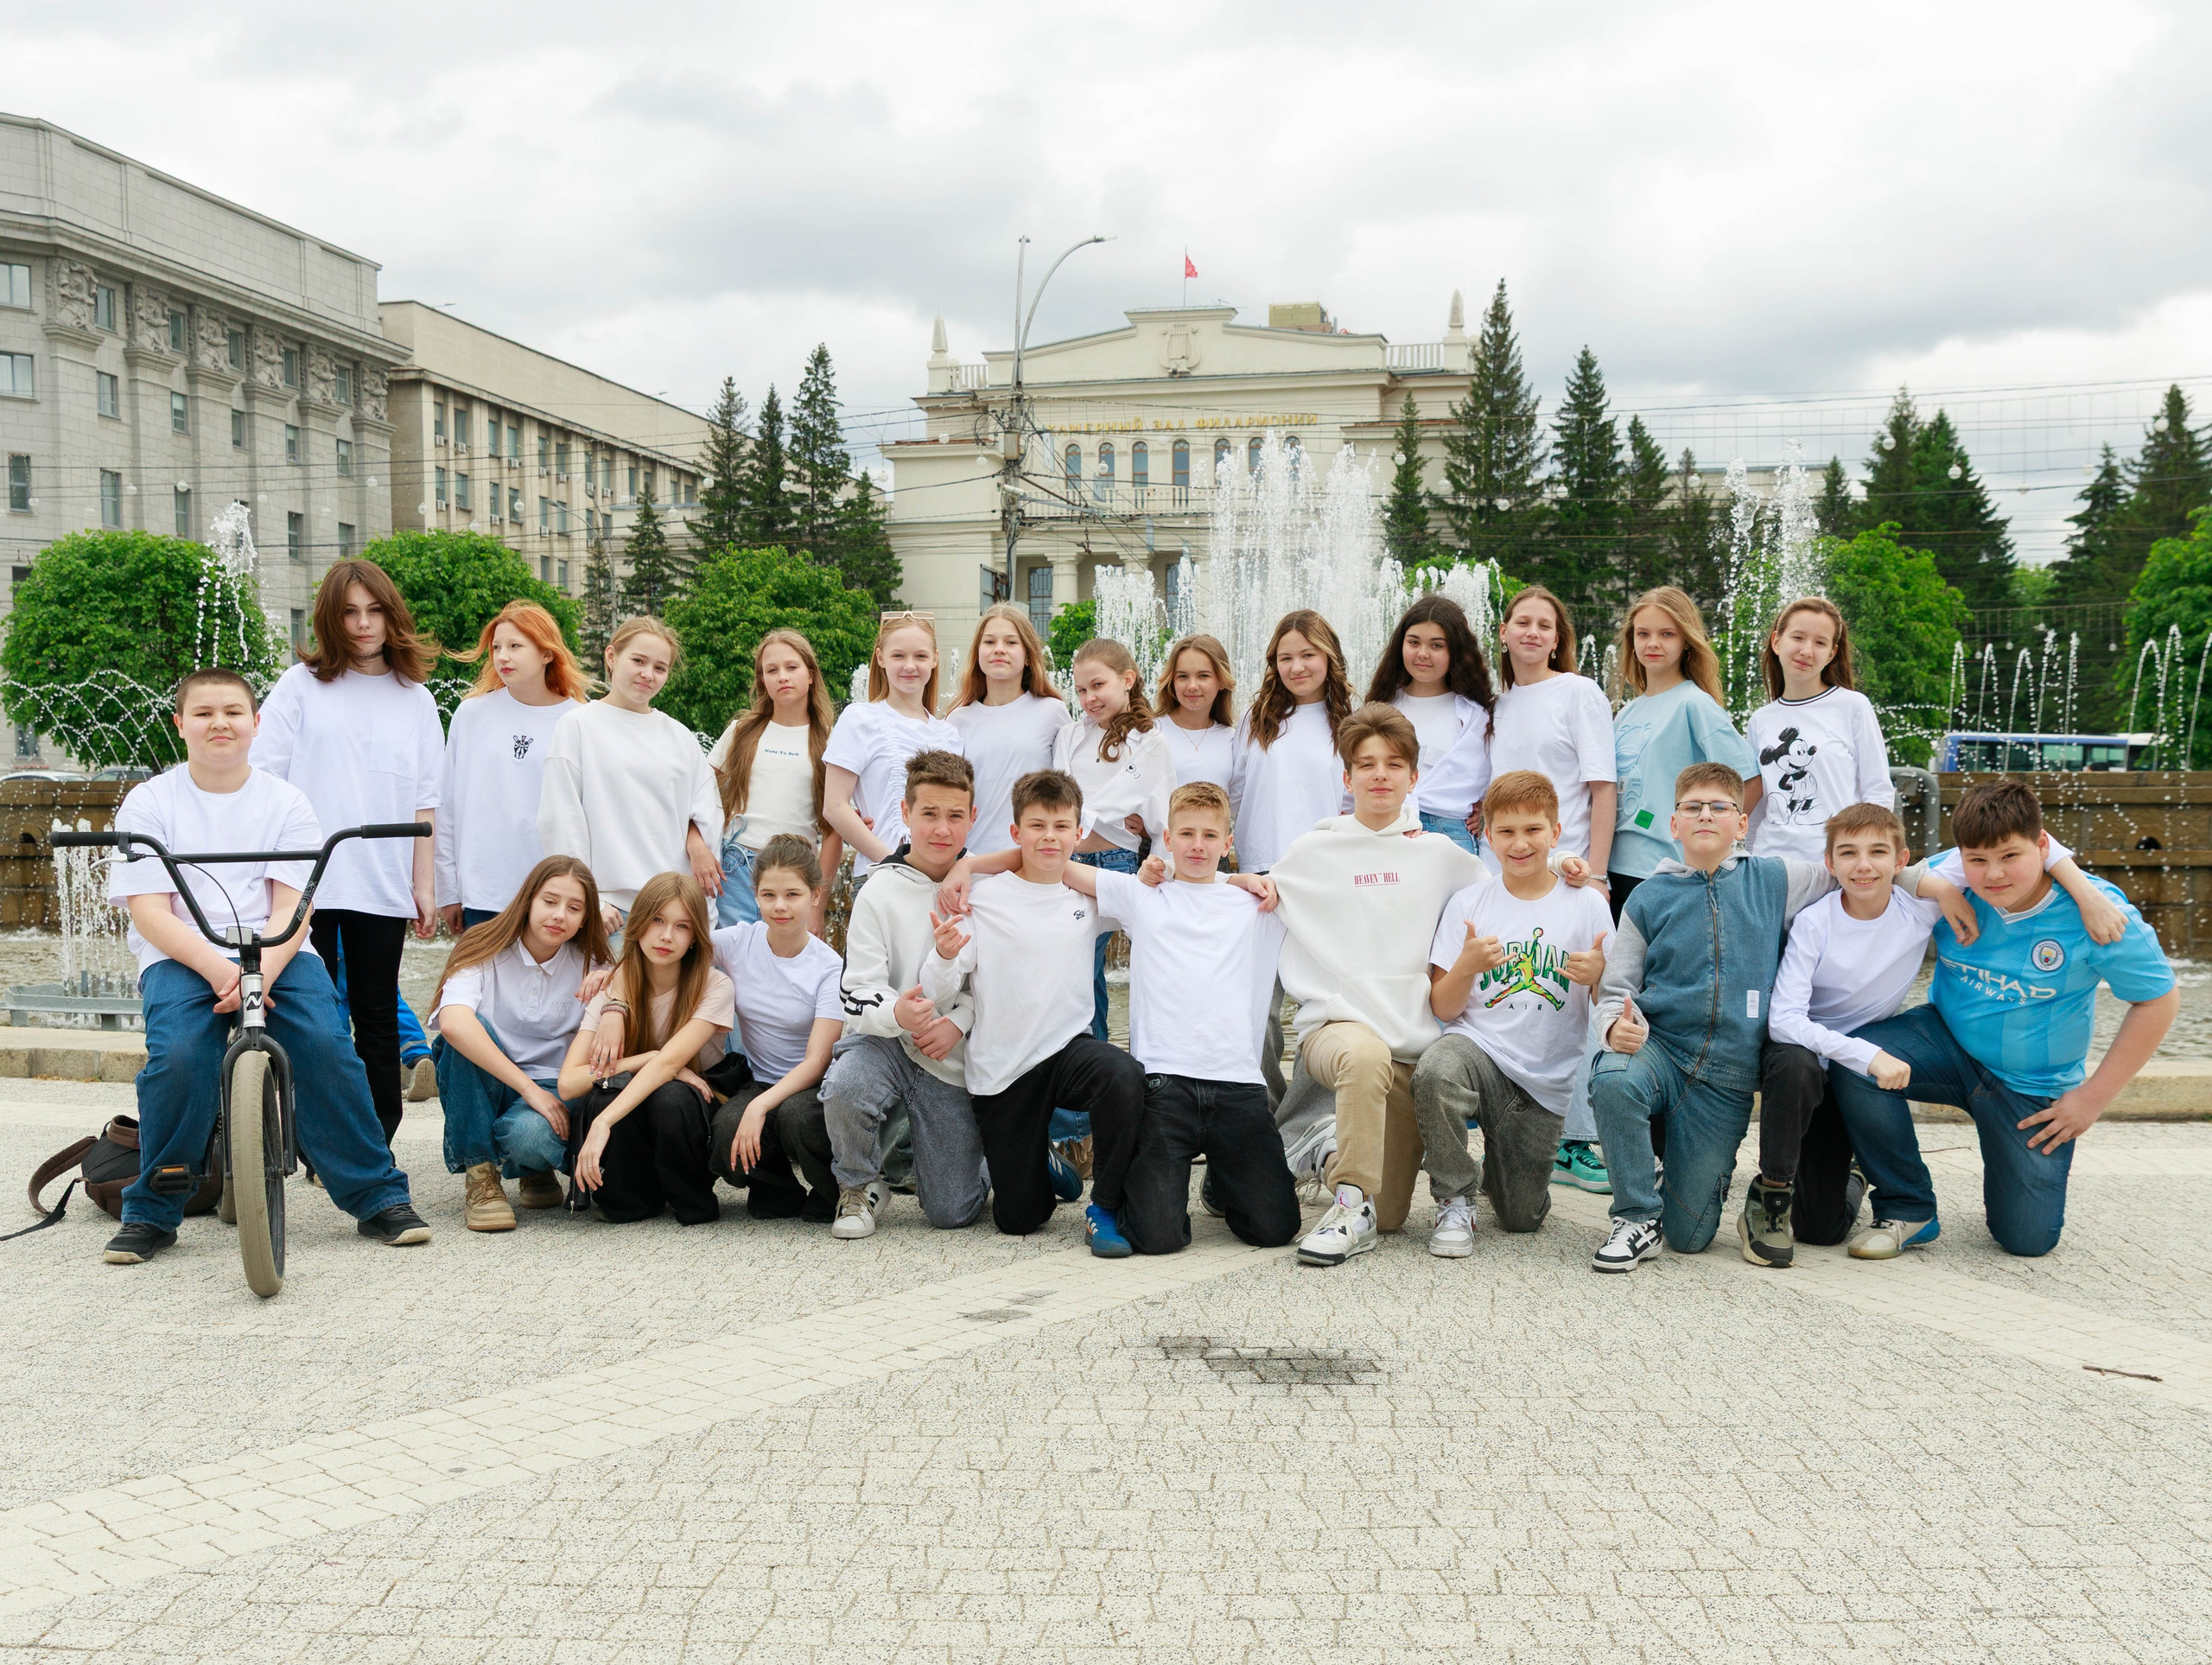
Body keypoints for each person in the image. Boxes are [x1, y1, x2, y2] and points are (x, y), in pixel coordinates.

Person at [1586, 762, 1973, 1274]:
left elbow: (1857, 868)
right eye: (1692, 807)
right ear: (1674, 824)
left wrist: (1933, 884)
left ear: (1742, 824)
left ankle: (1706, 1179)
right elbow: (1616, 987)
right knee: (1613, 1076)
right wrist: (1613, 1023)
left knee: (1691, 1236)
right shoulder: (1648, 896)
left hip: (1725, 1077)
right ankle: (1636, 1215)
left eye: (1720, 807)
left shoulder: (1775, 878)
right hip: (1661, 1052)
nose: (1706, 815)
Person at [101, 667, 429, 1265]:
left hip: (276, 948)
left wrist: (262, 973)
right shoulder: (149, 801)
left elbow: (294, 909)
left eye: (232, 712)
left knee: (328, 1046)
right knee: (178, 1054)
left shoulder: (286, 801)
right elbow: (150, 912)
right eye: (202, 713)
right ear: (180, 725)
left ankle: (376, 1194)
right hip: (184, 951)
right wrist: (220, 971)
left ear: (256, 723)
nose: (219, 723)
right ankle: (151, 1209)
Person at [1754, 801, 2120, 1267]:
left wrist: (2087, 895)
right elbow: (1784, 1021)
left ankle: (1877, 1172)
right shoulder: (1814, 921)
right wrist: (1862, 1054)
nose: (1863, 865)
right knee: (1818, 1229)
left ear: (1903, 860)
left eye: (1878, 853)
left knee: (2028, 1239)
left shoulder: (1921, 902)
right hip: (1817, 1061)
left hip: (1870, 1062)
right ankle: (1871, 1181)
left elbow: (2030, 844)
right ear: (1830, 863)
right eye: (1848, 854)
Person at [1828, 779, 2175, 1261]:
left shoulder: (2096, 913)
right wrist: (1942, 889)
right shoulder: (1955, 880)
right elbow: (1887, 871)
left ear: (2042, 847)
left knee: (2026, 1240)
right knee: (1855, 1058)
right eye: (1978, 860)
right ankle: (1907, 1206)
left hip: (2030, 1085)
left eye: (2009, 857)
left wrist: (2091, 1100)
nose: (1993, 875)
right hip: (1947, 1044)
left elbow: (2158, 1001)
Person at [1267, 702, 1490, 1267]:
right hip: (1335, 1033)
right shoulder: (1312, 849)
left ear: (1414, 776)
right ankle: (1346, 1203)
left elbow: (1510, 890)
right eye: (1366, 764)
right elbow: (1249, 889)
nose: (1380, 774)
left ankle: (1338, 1164)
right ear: (1347, 778)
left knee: (1389, 1214)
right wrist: (1168, 874)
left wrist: (1564, 866)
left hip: (1406, 1055)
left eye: (1394, 763)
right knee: (1362, 1055)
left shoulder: (1439, 855)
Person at [251, 559, 443, 1145]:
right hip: (301, 884)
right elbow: (264, 779)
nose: (363, 624)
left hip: (379, 883)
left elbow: (426, 803)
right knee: (309, 1020)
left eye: (374, 610)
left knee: (378, 1018)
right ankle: (310, 1138)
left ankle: (375, 1142)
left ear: (392, 615)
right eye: (349, 613)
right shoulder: (299, 685)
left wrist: (426, 885)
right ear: (330, 620)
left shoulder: (415, 698)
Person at [920, 768, 1146, 1256]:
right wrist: (941, 954)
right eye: (1038, 826)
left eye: (1062, 826)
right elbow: (940, 988)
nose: (1050, 837)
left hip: (1067, 1048)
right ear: (1015, 833)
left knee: (1123, 1075)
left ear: (1079, 832)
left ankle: (1104, 1206)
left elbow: (1166, 903)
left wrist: (1238, 880)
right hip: (1005, 1069)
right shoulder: (982, 897)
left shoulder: (1089, 895)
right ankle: (1044, 1164)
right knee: (1020, 1219)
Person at [1071, 781, 1298, 1255]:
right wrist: (969, 865)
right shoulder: (1142, 895)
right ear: (1167, 840)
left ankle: (1226, 1177)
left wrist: (1243, 879)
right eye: (1187, 834)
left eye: (1210, 836)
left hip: (1236, 1082)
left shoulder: (1258, 902)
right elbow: (1054, 866)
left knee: (1274, 1229)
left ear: (1228, 844)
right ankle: (1165, 1192)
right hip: (1164, 1083)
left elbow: (1336, 876)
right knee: (1156, 1238)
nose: (1198, 845)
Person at [1414, 771, 1611, 1257]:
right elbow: (1443, 1006)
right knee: (1436, 1069)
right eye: (1506, 831)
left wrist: (1599, 975)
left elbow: (1609, 1000)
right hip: (1480, 1052)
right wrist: (1466, 965)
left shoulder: (1587, 904)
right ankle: (1455, 1198)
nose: (1520, 843)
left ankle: (1501, 1173)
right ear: (1485, 833)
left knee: (1521, 1218)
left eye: (1533, 830)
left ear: (1556, 834)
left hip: (1543, 1082)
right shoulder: (1469, 903)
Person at [810, 751, 987, 1239]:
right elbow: (857, 991)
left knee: (952, 1212)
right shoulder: (878, 890)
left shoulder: (985, 889)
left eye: (955, 816)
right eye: (928, 814)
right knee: (847, 1085)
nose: (942, 829)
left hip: (946, 1049)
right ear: (906, 814)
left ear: (973, 818)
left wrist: (960, 1022)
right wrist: (897, 1013)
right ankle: (860, 1185)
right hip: (883, 1039)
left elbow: (997, 989)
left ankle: (995, 1158)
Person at [1485, 584, 1619, 1197]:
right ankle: (1521, 1130)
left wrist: (1594, 869)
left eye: (1546, 624)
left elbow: (1601, 786)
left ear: (1558, 638)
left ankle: (1583, 1141)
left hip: (1566, 869)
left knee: (1581, 995)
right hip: (1509, 869)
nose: (1534, 633)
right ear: (1505, 631)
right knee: (1523, 995)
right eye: (1523, 622)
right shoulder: (1501, 701)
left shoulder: (1578, 691)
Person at [429, 855, 611, 1232]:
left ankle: (532, 1167)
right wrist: (528, 1090)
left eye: (574, 907)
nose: (560, 915)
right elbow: (452, 1023)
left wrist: (615, 983)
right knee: (465, 1031)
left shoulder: (592, 963)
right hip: (487, 1084)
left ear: (585, 918)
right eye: (550, 901)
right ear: (527, 899)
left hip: (553, 1086)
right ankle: (481, 1176)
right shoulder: (482, 944)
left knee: (530, 1138)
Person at [1230, 609, 1354, 1103]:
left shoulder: (1348, 723)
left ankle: (1305, 1123)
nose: (1297, 666)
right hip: (1258, 878)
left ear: (1329, 657)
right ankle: (1264, 1112)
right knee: (1255, 1011)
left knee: (1321, 1008)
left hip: (1322, 880)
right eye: (1285, 657)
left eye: (1308, 655)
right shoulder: (1256, 720)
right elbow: (1234, 794)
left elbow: (1359, 803)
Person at [563, 873, 731, 1225]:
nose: (667, 936)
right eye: (657, 920)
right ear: (637, 923)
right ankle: (630, 1200)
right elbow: (569, 1083)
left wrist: (603, 1123)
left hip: (689, 1114)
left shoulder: (714, 986)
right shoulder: (611, 988)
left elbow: (669, 1065)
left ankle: (689, 1197)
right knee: (603, 1094)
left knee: (670, 1093)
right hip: (633, 1128)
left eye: (682, 926)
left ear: (695, 937)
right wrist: (645, 1058)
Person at [537, 617, 723, 931]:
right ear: (611, 657)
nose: (648, 674)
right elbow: (561, 820)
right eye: (638, 660)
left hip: (674, 913)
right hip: (611, 912)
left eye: (660, 668)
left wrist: (696, 845)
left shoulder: (680, 736)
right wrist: (588, 900)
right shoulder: (578, 726)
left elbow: (706, 813)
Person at [705, 836, 847, 1220]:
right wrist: (612, 982)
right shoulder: (739, 941)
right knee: (726, 1129)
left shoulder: (829, 968)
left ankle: (833, 1188)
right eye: (768, 895)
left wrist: (761, 1105)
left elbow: (817, 1061)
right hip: (761, 1079)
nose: (779, 906)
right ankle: (776, 1188)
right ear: (755, 895)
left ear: (815, 896)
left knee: (795, 1116)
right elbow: (673, 945)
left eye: (792, 895)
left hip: (811, 1086)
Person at [435, 601, 591, 936]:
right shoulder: (472, 714)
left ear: (547, 653)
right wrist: (447, 890)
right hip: (483, 892)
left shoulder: (580, 719)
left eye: (515, 646)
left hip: (554, 894)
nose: (502, 656)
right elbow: (447, 805)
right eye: (496, 648)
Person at [1606, 587, 1758, 918]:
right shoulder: (1627, 713)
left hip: (1668, 870)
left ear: (1686, 640)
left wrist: (1711, 846)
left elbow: (1749, 781)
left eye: (1667, 634)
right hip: (1615, 869)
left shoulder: (1695, 704)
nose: (1653, 643)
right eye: (1643, 634)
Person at [1052, 637, 1174, 1042]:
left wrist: (1159, 868)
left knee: (1140, 968)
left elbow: (1159, 817)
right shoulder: (1070, 736)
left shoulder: (1150, 742)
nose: (1088, 698)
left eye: (1098, 685)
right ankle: (1090, 1082)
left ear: (1127, 680)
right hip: (1069, 868)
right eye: (1081, 689)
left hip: (1118, 866)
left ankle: (1141, 1071)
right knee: (1078, 973)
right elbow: (1058, 801)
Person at [705, 629, 841, 931]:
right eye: (772, 670)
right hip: (737, 867)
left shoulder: (831, 742)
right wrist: (699, 848)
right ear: (762, 680)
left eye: (792, 667)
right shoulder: (742, 732)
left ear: (810, 675)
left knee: (786, 970)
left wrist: (817, 907)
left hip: (796, 872)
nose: (782, 676)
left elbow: (834, 830)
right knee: (730, 967)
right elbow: (699, 793)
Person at [1745, 597, 1894, 861]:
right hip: (1770, 864)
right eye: (1798, 638)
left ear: (1832, 653)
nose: (1807, 651)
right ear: (1777, 641)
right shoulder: (1760, 720)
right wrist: (1750, 860)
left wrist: (1865, 857)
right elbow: (1757, 806)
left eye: (1820, 643)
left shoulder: (1853, 706)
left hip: (1832, 865)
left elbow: (1878, 791)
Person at [823, 611, 964, 879]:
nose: (909, 666)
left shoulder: (950, 735)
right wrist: (894, 863)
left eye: (920, 656)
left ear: (934, 659)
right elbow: (834, 806)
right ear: (880, 658)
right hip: (880, 875)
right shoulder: (860, 718)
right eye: (899, 656)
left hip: (940, 878)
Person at [1366, 594, 1493, 854]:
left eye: (1437, 645)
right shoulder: (1380, 708)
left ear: (1455, 651)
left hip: (1450, 836)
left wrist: (1485, 806)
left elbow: (1494, 772)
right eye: (1414, 642)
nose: (1423, 654)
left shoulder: (1475, 716)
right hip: (1383, 831)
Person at [944, 602, 1068, 858]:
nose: (999, 650)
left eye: (1011, 642)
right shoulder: (957, 720)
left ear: (1027, 656)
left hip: (1033, 860)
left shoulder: (1052, 712)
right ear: (977, 653)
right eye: (989, 642)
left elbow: (1074, 784)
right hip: (973, 861)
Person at [1154, 633, 1237, 792]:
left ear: (1221, 680)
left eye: (1203, 676)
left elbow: (1236, 799)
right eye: (1183, 676)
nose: (1192, 686)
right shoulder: (1151, 731)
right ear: (1172, 681)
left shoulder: (1232, 739)